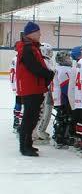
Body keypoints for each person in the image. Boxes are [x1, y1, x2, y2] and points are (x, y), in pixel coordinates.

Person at [14, 22, 55, 156]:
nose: (40, 34)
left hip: (35, 87)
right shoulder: (27, 48)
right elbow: (33, 67)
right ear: (31, 34)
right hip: (30, 88)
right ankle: (24, 146)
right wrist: (48, 74)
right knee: (29, 118)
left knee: (33, 117)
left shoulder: (32, 47)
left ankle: (28, 144)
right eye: (38, 32)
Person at [51, 49, 74, 149]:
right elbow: (66, 87)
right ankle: (60, 138)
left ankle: (59, 137)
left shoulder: (59, 68)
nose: (69, 59)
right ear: (62, 60)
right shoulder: (64, 70)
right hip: (62, 98)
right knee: (64, 117)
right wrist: (72, 98)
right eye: (67, 58)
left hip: (58, 97)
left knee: (61, 117)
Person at [34, 43, 55, 145]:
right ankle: (35, 134)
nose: (51, 53)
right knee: (41, 112)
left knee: (43, 111)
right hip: (43, 90)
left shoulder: (46, 61)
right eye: (49, 51)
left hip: (45, 90)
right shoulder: (44, 61)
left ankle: (37, 132)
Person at [10, 55, 21, 133]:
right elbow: (12, 73)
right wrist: (14, 86)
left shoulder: (16, 58)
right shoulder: (16, 59)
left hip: (20, 84)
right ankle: (17, 122)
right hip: (19, 85)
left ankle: (17, 121)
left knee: (19, 102)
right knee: (19, 102)